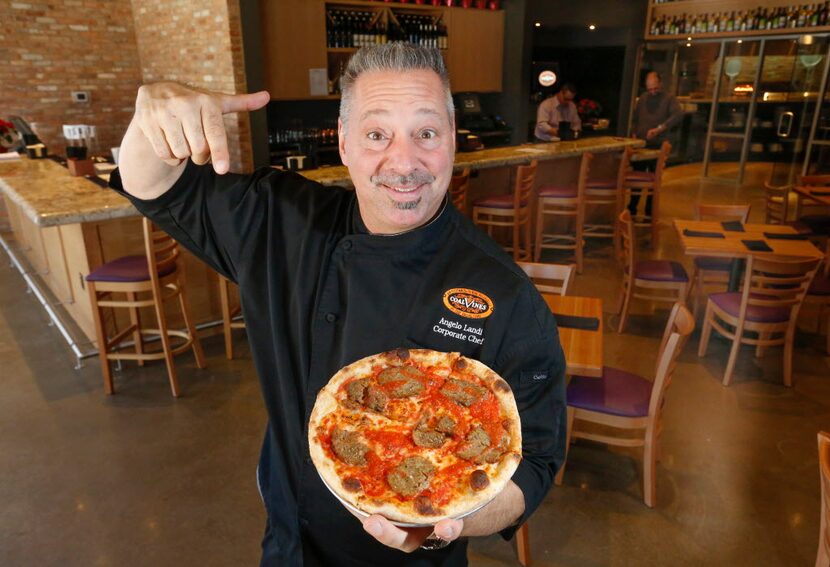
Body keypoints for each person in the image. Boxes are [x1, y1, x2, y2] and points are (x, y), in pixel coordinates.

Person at [111, 43, 567, 567]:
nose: (404, 161)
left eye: (426, 133)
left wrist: (445, 520)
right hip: (285, 544)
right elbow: (150, 185)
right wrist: (152, 115)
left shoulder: (505, 295)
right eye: (377, 134)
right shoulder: (278, 219)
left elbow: (533, 462)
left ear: (452, 144)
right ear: (345, 144)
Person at [628, 71, 683, 218]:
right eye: (649, 89)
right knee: (637, 176)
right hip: (641, 143)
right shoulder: (643, 99)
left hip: (658, 144)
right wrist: (634, 133)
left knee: (653, 177)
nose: (652, 92)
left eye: (655, 88)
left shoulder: (669, 99)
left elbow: (677, 115)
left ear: (660, 84)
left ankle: (649, 211)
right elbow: (635, 118)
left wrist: (660, 129)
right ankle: (632, 208)